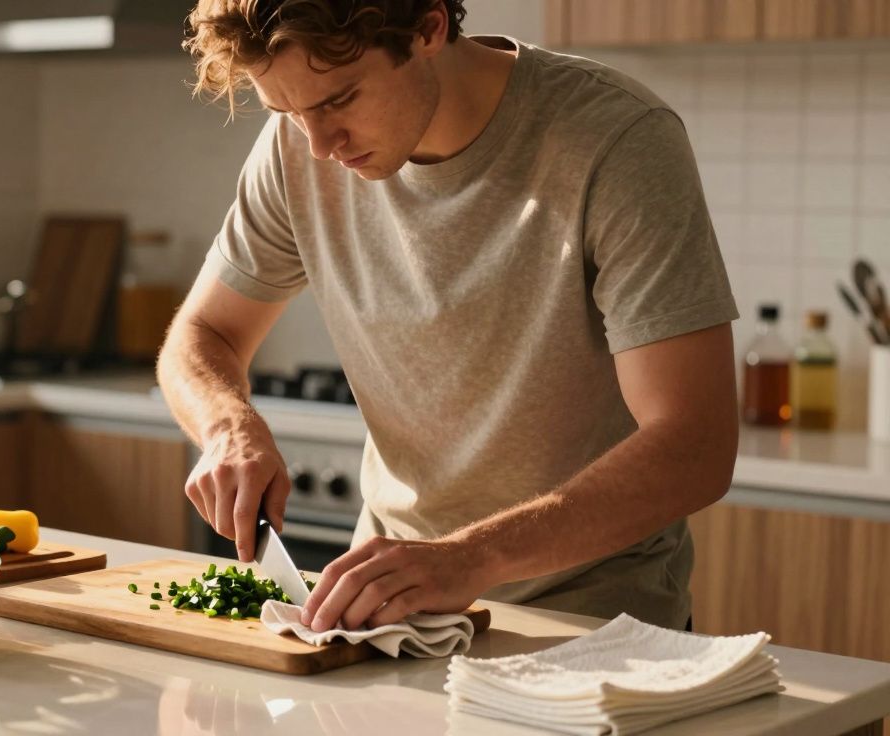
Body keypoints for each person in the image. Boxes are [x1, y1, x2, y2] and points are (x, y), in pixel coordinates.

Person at [156, 0, 739, 634]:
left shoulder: (617, 139)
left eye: (339, 99)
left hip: (594, 625)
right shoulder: (296, 151)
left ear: (429, 28)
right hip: (387, 614)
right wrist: (226, 427)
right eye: (288, 112)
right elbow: (202, 334)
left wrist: (469, 558)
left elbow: (695, 444)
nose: (319, 145)